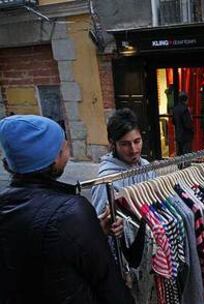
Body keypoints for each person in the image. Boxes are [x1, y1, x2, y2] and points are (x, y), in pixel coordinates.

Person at [0, 115, 133, 304]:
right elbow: (107, 282)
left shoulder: (6, 205)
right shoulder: (71, 212)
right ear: (53, 157)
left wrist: (96, 233)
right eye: (64, 146)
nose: (68, 150)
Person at [91, 108, 156, 303]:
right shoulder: (106, 181)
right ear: (113, 144)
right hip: (125, 260)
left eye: (137, 141)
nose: (134, 149)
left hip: (146, 251)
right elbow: (99, 226)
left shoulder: (146, 166)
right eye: (125, 144)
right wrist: (110, 227)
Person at [173, 91, 194, 155]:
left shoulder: (175, 109)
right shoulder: (185, 109)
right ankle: (185, 165)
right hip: (185, 136)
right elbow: (187, 124)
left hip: (178, 134)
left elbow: (173, 121)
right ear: (186, 100)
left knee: (180, 153)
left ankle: (180, 165)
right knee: (186, 154)